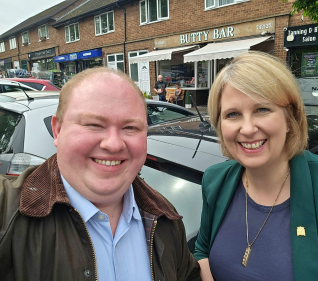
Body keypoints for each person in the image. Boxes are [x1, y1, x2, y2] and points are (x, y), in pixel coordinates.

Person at [0, 67, 201, 281]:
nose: (113, 144)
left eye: (130, 128)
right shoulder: (8, 213)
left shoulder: (166, 218)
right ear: (58, 130)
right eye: (94, 125)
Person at [194, 52, 318, 281]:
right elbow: (202, 249)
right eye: (233, 114)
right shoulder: (215, 181)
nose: (247, 128)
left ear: (290, 118)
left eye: (262, 109)